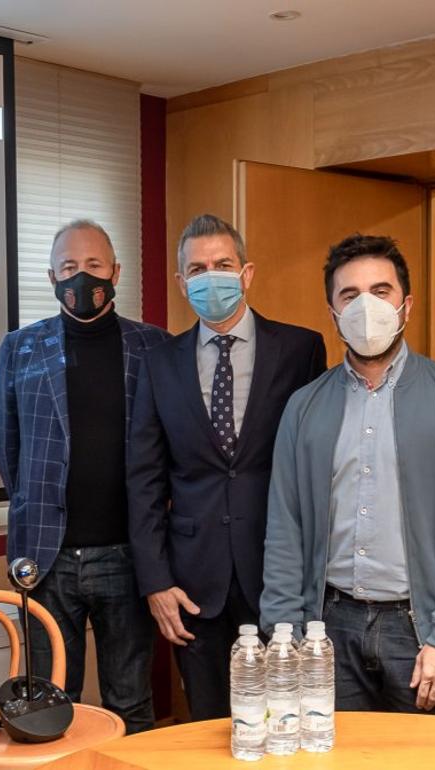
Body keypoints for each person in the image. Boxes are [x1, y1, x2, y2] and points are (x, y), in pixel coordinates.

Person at [261, 234, 435, 714]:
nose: (365, 305)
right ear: (332, 313)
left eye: (381, 290)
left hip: (419, 631)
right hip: (327, 627)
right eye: (349, 295)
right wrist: (282, 634)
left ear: (405, 305)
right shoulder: (304, 407)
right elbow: (285, 528)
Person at [127, 213, 326, 720]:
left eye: (222, 264)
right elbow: (145, 478)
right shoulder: (159, 362)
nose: (210, 276)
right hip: (193, 581)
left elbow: (317, 465)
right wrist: (154, 581)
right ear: (181, 283)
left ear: (247, 273)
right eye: (197, 269)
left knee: (288, 717)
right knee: (209, 723)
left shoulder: (300, 349)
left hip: (279, 571)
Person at [0, 219, 169, 734]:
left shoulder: (155, 348)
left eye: (93, 266)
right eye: (69, 267)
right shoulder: (20, 348)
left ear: (115, 271)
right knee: (48, 707)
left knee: (131, 703)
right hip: (47, 558)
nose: (81, 278)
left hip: (130, 558)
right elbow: (7, 446)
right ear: (51, 276)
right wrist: (37, 507)